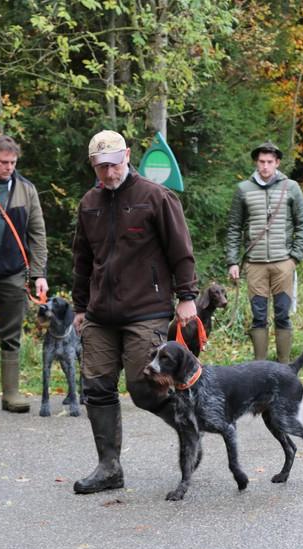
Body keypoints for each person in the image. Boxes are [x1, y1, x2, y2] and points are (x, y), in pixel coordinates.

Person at [72, 130, 198, 494]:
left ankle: (190, 430)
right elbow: (82, 259)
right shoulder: (89, 203)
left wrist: (187, 296)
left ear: (127, 155)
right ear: (93, 165)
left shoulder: (155, 197)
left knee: (144, 388)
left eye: (114, 164)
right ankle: (109, 468)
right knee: (96, 388)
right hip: (100, 314)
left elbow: (180, 249)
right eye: (101, 167)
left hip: (146, 309)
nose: (109, 173)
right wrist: (80, 306)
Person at [0, 134, 49, 414]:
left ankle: (11, 394)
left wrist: (39, 274)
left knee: (11, 334)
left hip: (14, 272)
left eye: (13, 162)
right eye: (4, 162)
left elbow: (37, 233)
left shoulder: (26, 189)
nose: (9, 167)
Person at [227, 140, 303, 363]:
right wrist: (233, 261)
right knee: (258, 317)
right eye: (262, 161)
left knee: (283, 316)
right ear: (256, 162)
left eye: (270, 162)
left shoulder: (291, 187)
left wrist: (295, 258)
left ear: (277, 163)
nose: (265, 166)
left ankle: (284, 369)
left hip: (283, 263)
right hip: (255, 265)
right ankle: (260, 369)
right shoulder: (243, 189)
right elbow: (234, 227)